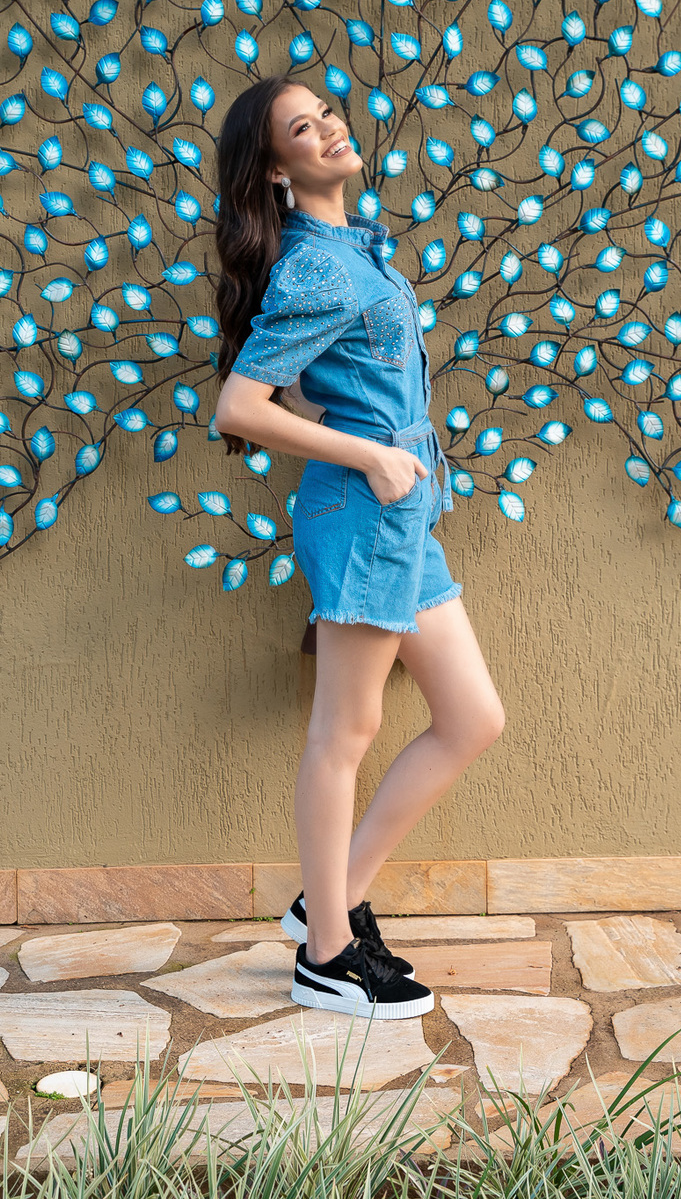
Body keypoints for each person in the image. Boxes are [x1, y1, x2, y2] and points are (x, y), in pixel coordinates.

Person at [213, 72, 505, 1021]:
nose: (329, 130)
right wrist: (370, 453)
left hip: (401, 515)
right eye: (303, 129)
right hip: (364, 511)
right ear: (276, 170)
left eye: (327, 114)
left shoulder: (352, 249)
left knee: (471, 717)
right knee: (344, 733)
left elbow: (322, 377)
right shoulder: (319, 266)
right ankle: (327, 958)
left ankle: (326, 902)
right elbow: (241, 407)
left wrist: (386, 455)